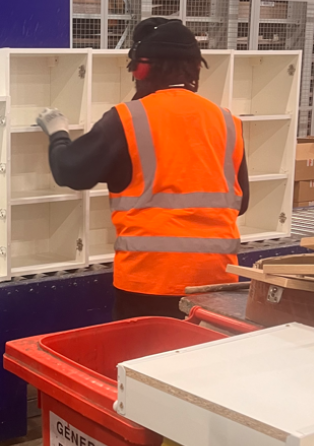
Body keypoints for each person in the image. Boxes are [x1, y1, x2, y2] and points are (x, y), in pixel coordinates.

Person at [36, 18, 249, 320]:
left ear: (142, 69)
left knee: (143, 363)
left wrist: (57, 132)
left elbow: (70, 171)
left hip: (149, 282)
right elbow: (241, 204)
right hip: (216, 280)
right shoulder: (228, 122)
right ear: (194, 68)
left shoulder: (127, 119)